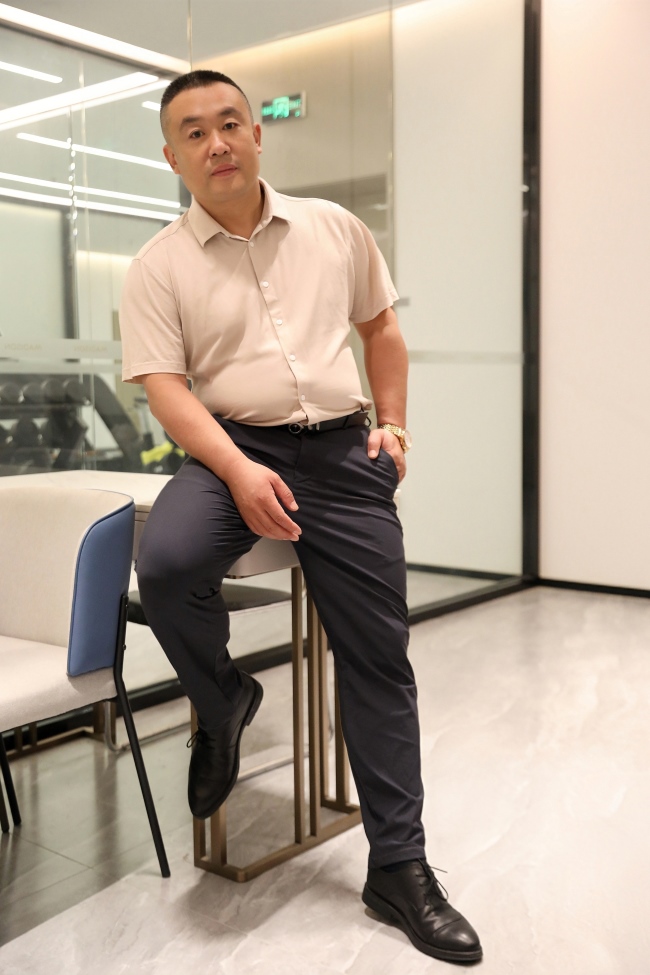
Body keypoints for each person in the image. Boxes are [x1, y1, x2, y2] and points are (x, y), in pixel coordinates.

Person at [119, 69, 482, 965]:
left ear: (257, 133)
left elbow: (381, 330)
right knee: (165, 562)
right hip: (231, 444)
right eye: (194, 133)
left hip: (342, 453)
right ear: (172, 157)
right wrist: (238, 468)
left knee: (378, 657)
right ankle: (224, 699)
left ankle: (398, 866)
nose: (217, 143)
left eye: (230, 123)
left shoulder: (333, 228)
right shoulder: (158, 265)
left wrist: (394, 424)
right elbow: (166, 389)